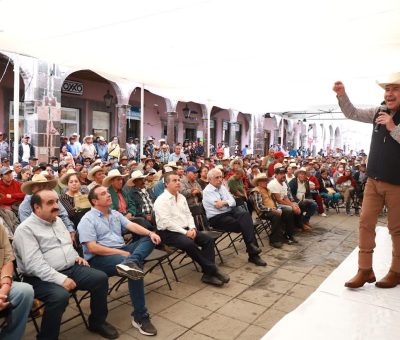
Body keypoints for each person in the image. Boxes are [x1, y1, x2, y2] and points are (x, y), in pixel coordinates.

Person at [13, 189, 119, 339]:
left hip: (70, 267)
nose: (56, 205)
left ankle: (97, 322)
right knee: (60, 296)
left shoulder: (57, 221)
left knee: (100, 278)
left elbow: (66, 246)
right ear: (37, 207)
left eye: (56, 201)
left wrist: (76, 257)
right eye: (50, 203)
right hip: (38, 278)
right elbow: (33, 265)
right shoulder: (25, 229)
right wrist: (61, 279)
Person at [333, 76, 400, 288]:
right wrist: (342, 95)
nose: (389, 93)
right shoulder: (378, 111)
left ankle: (397, 271)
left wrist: (393, 127)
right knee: (365, 223)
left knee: (397, 229)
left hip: (397, 184)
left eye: (395, 89)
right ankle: (365, 270)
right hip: (373, 180)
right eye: (387, 89)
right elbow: (352, 113)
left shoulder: (389, 119)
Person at [77, 185, 161, 336]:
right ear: (95, 201)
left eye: (108, 192)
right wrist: (121, 253)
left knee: (149, 239)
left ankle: (132, 260)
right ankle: (140, 316)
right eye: (103, 194)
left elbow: (131, 225)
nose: (108, 195)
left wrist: (150, 232)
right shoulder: (87, 220)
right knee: (134, 270)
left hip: (122, 252)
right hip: (99, 258)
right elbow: (92, 248)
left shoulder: (114, 213)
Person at [154, 172, 230, 286]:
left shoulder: (181, 197)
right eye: (174, 180)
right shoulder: (161, 200)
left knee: (208, 240)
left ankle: (208, 274)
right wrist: (186, 232)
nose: (178, 182)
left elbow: (188, 214)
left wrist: (193, 228)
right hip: (168, 232)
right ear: (166, 184)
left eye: (179, 180)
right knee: (188, 243)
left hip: (186, 229)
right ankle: (213, 269)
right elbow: (167, 222)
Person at [202, 168, 266, 266]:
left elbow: (233, 201)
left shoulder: (222, 187)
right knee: (246, 224)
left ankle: (252, 250)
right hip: (217, 218)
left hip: (229, 212)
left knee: (245, 215)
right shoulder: (207, 191)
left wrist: (224, 202)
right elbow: (218, 206)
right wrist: (227, 203)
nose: (220, 179)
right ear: (209, 180)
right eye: (217, 177)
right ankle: (253, 253)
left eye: (221, 177)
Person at [0, 223, 34, 340]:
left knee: (25, 291)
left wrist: (4, 289)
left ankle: (10, 337)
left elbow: (7, 259)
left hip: (2, 283)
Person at [250, 173, 296, 247]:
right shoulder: (256, 191)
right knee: (276, 215)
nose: (266, 182)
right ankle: (274, 240)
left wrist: (278, 208)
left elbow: (274, 201)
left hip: (272, 209)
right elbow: (259, 206)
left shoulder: (267, 189)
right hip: (263, 212)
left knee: (288, 211)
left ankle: (288, 235)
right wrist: (273, 210)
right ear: (259, 182)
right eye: (264, 181)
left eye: (266, 180)